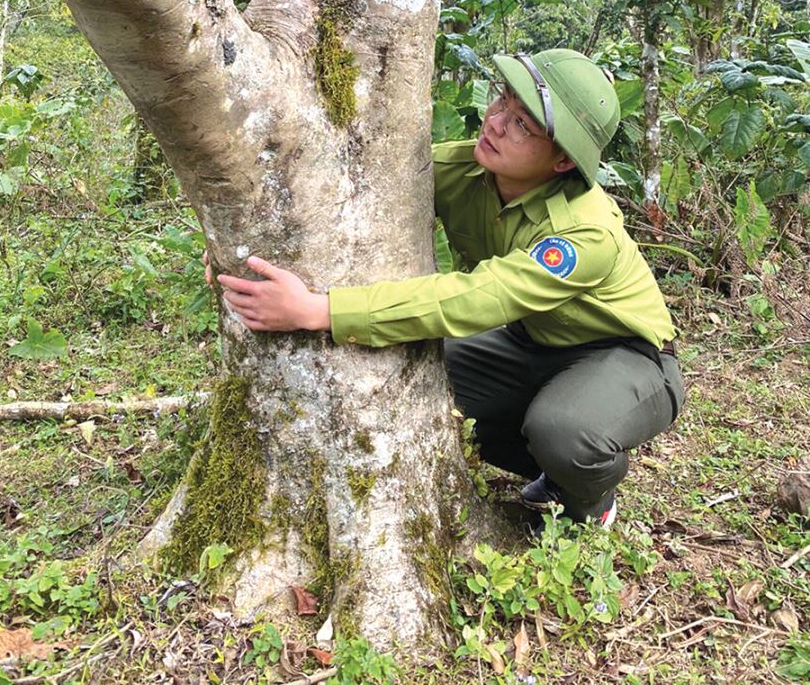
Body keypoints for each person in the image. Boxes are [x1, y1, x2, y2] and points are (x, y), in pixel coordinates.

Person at [214, 48, 685, 528]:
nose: (497, 122)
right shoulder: (465, 171)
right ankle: (549, 460)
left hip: (629, 357)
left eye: (524, 124)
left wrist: (321, 310)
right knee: (418, 385)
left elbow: (480, 297)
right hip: (530, 342)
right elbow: (350, 186)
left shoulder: (585, 233)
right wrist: (252, 246)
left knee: (564, 431)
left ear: (563, 160)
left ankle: (591, 494)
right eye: (503, 100)